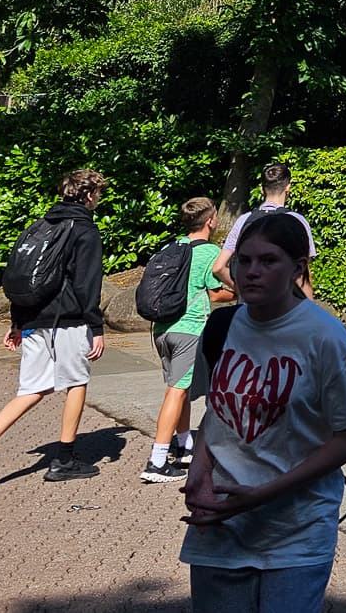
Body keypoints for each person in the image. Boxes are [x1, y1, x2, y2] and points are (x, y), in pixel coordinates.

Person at [180, 211, 346, 613]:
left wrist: (262, 494)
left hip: (295, 530)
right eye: (244, 261)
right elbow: (216, 413)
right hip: (220, 524)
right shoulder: (221, 326)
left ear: (297, 268)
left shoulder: (324, 335)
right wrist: (198, 472)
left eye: (268, 261)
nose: (251, 272)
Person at [0, 167, 109, 496]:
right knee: (77, 383)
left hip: (35, 319)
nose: (99, 200)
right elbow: (86, 285)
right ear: (88, 195)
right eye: (99, 194)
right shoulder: (84, 230)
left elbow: (22, 276)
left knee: (32, 390)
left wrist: (17, 323)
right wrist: (96, 327)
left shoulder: (39, 226)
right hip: (67, 321)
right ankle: (64, 460)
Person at [143, 197, 231, 484]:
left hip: (161, 330)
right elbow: (218, 293)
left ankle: (184, 446)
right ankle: (157, 461)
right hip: (189, 329)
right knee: (177, 392)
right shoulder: (209, 253)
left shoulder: (173, 246)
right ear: (210, 221)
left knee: (179, 388)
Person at [213, 161, 316, 294]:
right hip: (283, 307)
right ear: (288, 187)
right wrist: (308, 308)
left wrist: (242, 290)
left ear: (262, 189)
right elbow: (302, 274)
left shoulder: (243, 220)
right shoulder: (296, 221)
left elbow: (218, 267)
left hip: (250, 309)